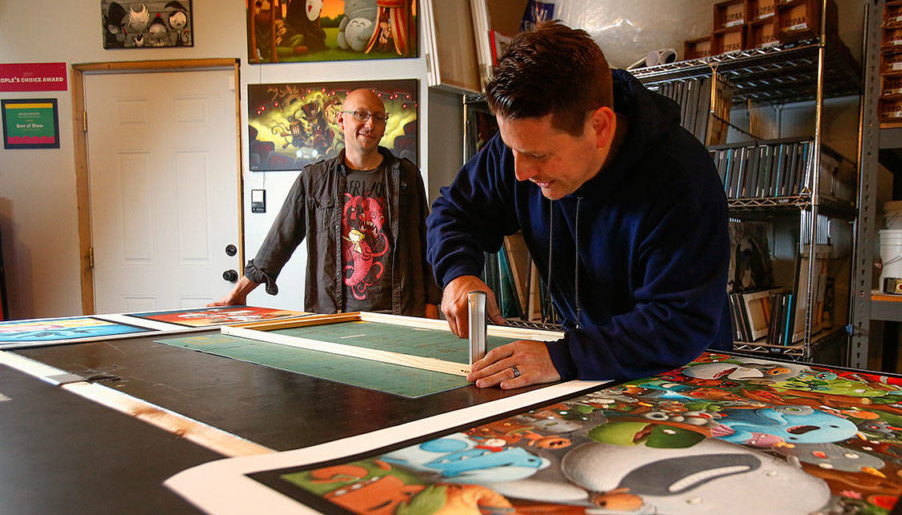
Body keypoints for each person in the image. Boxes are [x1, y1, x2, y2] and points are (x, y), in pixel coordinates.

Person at [426, 22, 731, 389]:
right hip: (586, 362)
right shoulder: (520, 150)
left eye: (539, 155)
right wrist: (457, 273)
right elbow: (456, 212)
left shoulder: (682, 179)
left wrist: (563, 357)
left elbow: (677, 320)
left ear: (600, 128)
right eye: (512, 150)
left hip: (683, 368)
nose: (520, 173)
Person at [214, 88, 440, 317]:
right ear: (341, 121)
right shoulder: (314, 179)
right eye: (361, 115)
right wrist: (240, 292)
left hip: (400, 316)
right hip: (334, 317)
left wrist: (432, 304)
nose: (370, 124)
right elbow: (279, 240)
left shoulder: (407, 176)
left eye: (378, 117)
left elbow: (428, 242)